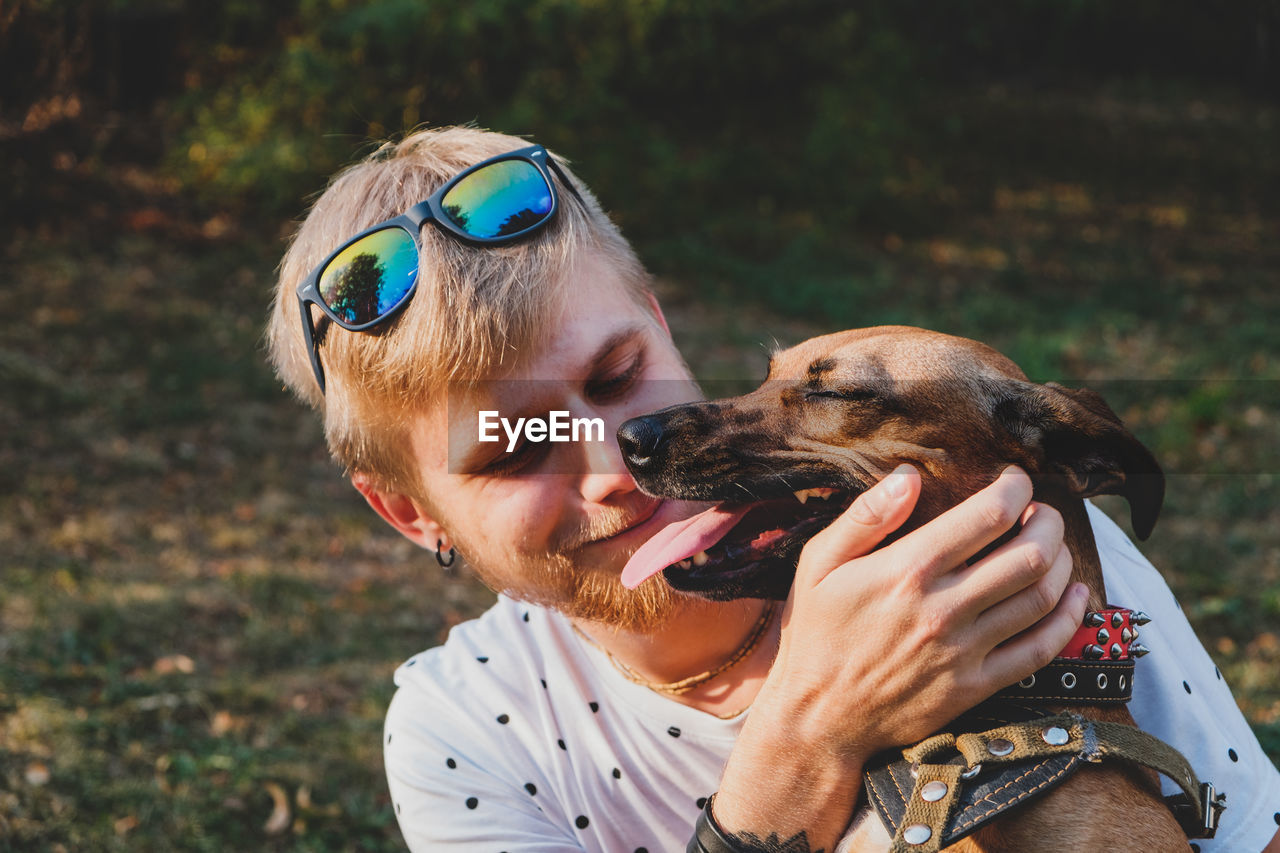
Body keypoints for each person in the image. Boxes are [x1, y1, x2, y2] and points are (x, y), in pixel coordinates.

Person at [267, 126, 1280, 852]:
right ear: (406, 510)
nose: (613, 467)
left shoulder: (1002, 557)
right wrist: (806, 739)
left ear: (661, 326)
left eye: (617, 378)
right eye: (514, 446)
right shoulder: (469, 732)